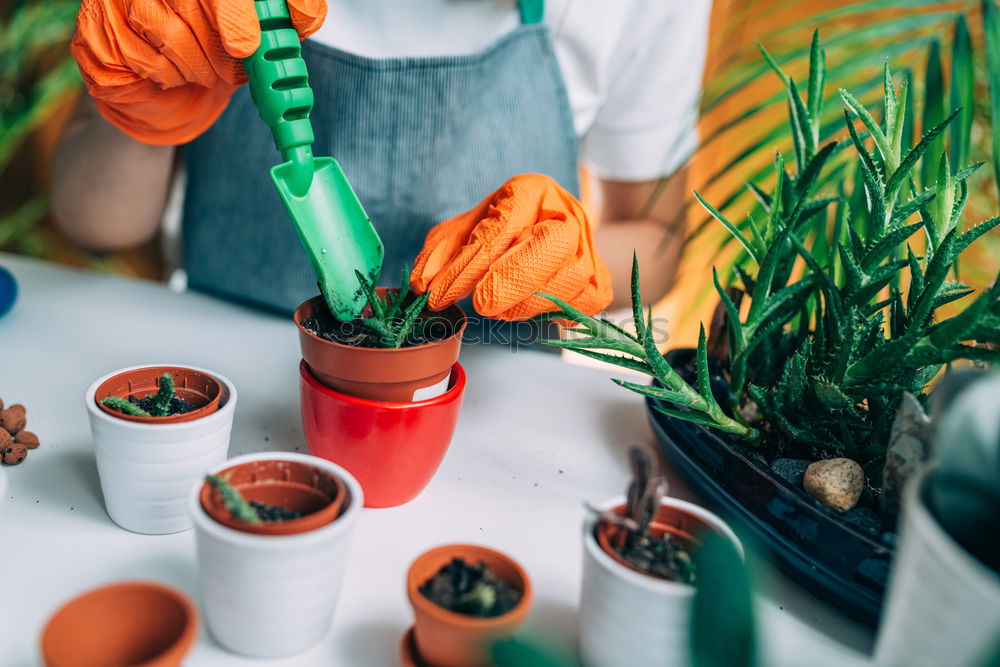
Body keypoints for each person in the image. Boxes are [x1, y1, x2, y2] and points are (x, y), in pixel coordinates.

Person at [54, 0, 711, 324]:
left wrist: (581, 254)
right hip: (230, 376)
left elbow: (657, 242)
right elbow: (97, 221)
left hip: (497, 423)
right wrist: (140, 100)